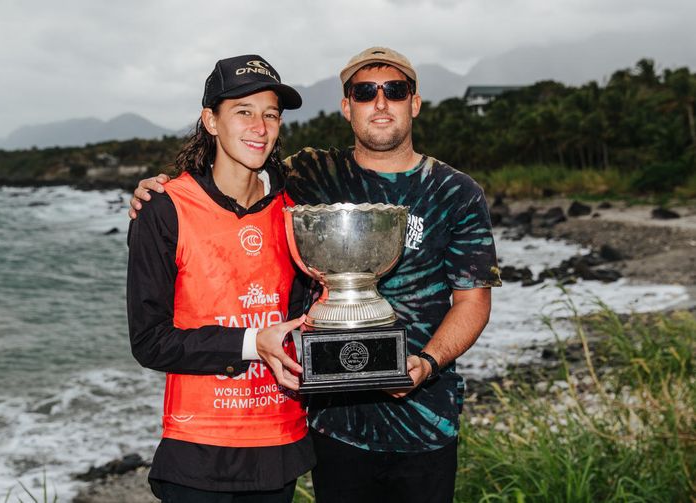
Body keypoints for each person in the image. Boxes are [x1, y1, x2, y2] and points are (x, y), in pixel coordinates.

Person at [130, 47, 501, 503]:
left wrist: (424, 365)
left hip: (425, 421)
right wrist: (159, 191)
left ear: (415, 102)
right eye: (365, 92)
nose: (380, 103)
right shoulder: (312, 174)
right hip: (333, 423)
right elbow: (233, 178)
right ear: (347, 108)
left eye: (395, 90)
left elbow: (473, 301)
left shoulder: (456, 192)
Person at [126, 54, 315, 503]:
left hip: (278, 443)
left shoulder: (299, 210)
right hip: (197, 449)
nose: (260, 126)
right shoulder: (164, 208)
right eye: (243, 112)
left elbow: (307, 315)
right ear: (210, 120)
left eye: (271, 114)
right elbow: (150, 341)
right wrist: (252, 344)